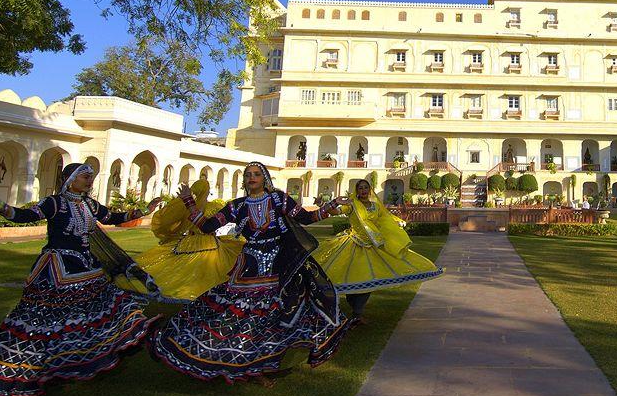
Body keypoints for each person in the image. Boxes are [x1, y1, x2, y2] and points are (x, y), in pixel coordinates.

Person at [150, 162, 347, 382]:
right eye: (248, 175)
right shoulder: (237, 206)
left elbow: (307, 218)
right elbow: (207, 226)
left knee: (277, 311)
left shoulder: (278, 199)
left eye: (256, 174)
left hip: (279, 261)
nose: (252, 178)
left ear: (264, 179)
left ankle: (265, 362)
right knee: (242, 311)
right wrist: (189, 202)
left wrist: (332, 205)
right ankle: (242, 362)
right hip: (250, 264)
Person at [0, 163, 161, 396]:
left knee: (99, 307)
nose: (89, 181)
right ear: (70, 179)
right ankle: (26, 367)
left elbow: (114, 218)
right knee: (44, 319)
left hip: (86, 266)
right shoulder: (54, 203)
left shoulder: (89, 204)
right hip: (58, 269)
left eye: (90, 177)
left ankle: (83, 356)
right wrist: (0, 206)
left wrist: (144, 211)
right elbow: (26, 216)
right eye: (84, 177)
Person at [314, 179, 443, 324]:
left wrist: (397, 223)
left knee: (368, 277)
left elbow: (385, 219)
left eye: (365, 188)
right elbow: (336, 211)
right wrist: (324, 205)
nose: (363, 190)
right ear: (357, 191)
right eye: (360, 188)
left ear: (370, 190)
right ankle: (353, 303)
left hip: (373, 246)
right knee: (352, 276)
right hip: (353, 244)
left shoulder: (376, 206)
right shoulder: (352, 205)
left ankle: (357, 313)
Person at [116, 179, 245, 302]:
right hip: (210, 243)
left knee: (180, 268)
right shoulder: (215, 206)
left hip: (188, 242)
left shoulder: (187, 207)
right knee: (206, 271)